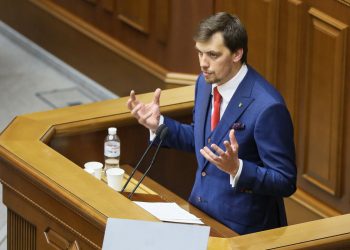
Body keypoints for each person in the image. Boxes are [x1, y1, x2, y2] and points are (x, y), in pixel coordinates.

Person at [127, 12, 297, 235]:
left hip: (242, 230)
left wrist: (238, 169)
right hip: (200, 211)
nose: (203, 64)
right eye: (200, 53)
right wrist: (158, 124)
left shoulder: (267, 107)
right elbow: (202, 140)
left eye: (213, 55)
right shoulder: (205, 83)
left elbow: (285, 180)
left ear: (237, 53)